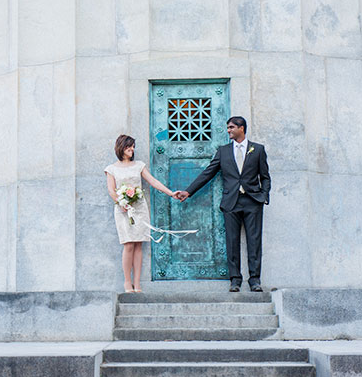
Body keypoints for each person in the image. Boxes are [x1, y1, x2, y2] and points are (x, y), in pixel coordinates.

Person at [174, 117, 270, 292]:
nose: (228, 131)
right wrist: (189, 191)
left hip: (253, 202)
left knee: (254, 241)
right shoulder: (223, 151)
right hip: (230, 202)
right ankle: (235, 280)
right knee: (232, 241)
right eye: (227, 128)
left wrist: (263, 196)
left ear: (241, 128)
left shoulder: (258, 149)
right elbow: (208, 173)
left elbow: (265, 176)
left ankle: (255, 280)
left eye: (231, 127)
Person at [105, 135, 176, 293]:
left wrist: (170, 193)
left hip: (139, 207)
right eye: (128, 147)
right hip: (123, 209)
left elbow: (153, 181)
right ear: (121, 148)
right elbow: (111, 190)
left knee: (139, 244)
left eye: (133, 147)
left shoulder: (139, 165)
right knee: (128, 244)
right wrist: (121, 203)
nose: (132, 149)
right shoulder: (111, 169)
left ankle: (137, 283)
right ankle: (127, 282)